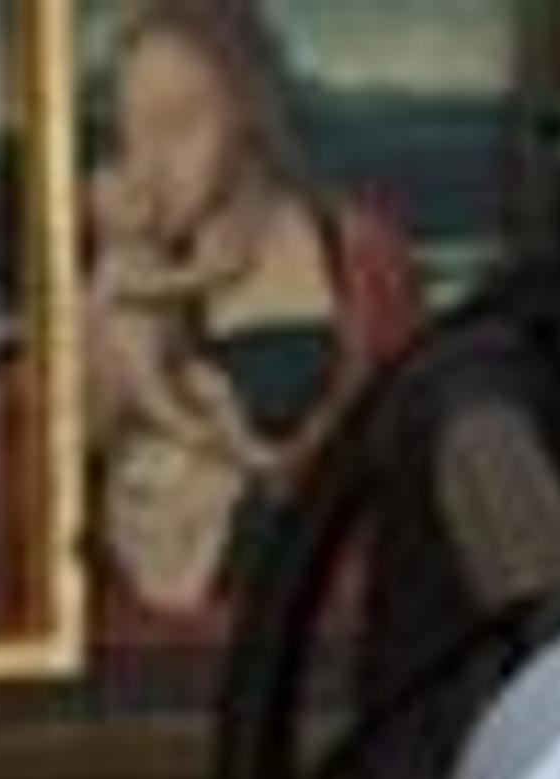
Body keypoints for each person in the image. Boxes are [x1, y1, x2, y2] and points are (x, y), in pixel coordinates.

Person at [79, 0, 417, 642]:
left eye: (177, 125)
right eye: (129, 133)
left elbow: (415, 441)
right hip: (166, 643)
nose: (148, 163)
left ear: (250, 115)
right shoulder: (120, 275)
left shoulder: (356, 254)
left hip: (329, 636)